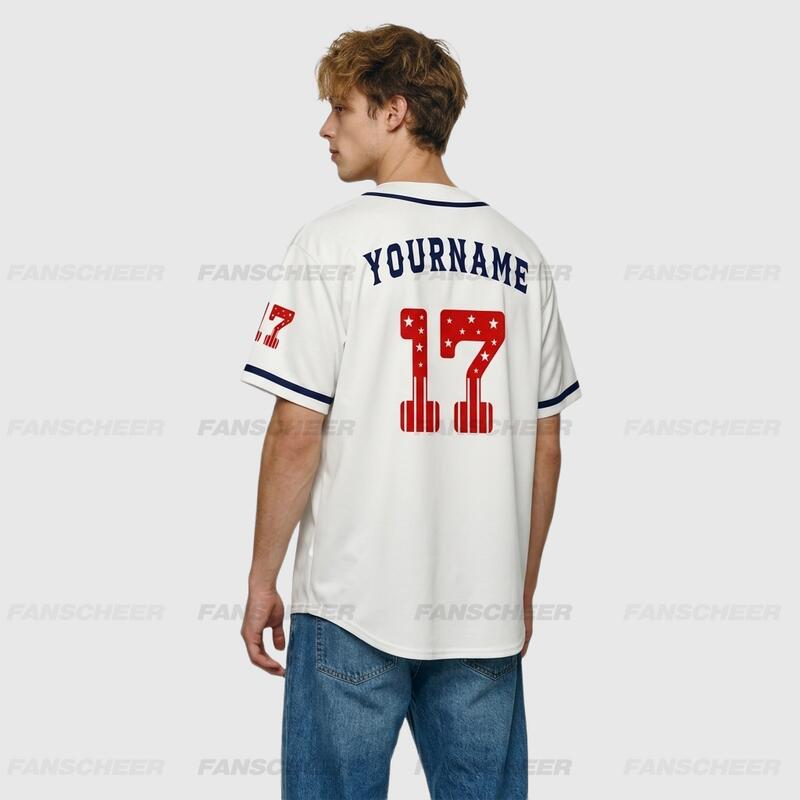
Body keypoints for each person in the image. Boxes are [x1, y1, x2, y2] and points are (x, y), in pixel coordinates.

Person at [239, 23, 582, 800]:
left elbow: (297, 431)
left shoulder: (330, 244)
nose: (326, 129)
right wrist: (520, 589)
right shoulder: (523, 255)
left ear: (393, 111)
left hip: (352, 604)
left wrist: (262, 577)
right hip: (483, 609)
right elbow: (546, 446)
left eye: (340, 108)